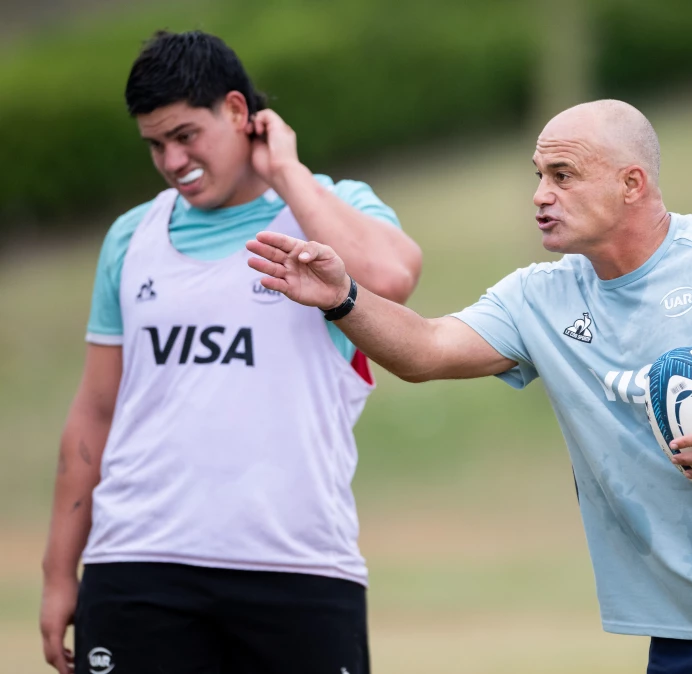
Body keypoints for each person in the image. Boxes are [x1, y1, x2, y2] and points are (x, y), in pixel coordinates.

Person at [249, 99, 692, 674]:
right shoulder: (539, 298)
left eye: (562, 175)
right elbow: (424, 350)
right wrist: (344, 299)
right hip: (677, 628)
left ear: (631, 184)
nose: (540, 193)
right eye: (538, 175)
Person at [39, 30, 422, 674]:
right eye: (155, 144)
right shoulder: (132, 238)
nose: (171, 160)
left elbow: (390, 278)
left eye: (186, 135)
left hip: (298, 568)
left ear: (240, 113)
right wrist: (57, 573)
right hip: (137, 565)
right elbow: (95, 414)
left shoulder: (330, 207)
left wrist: (289, 175)